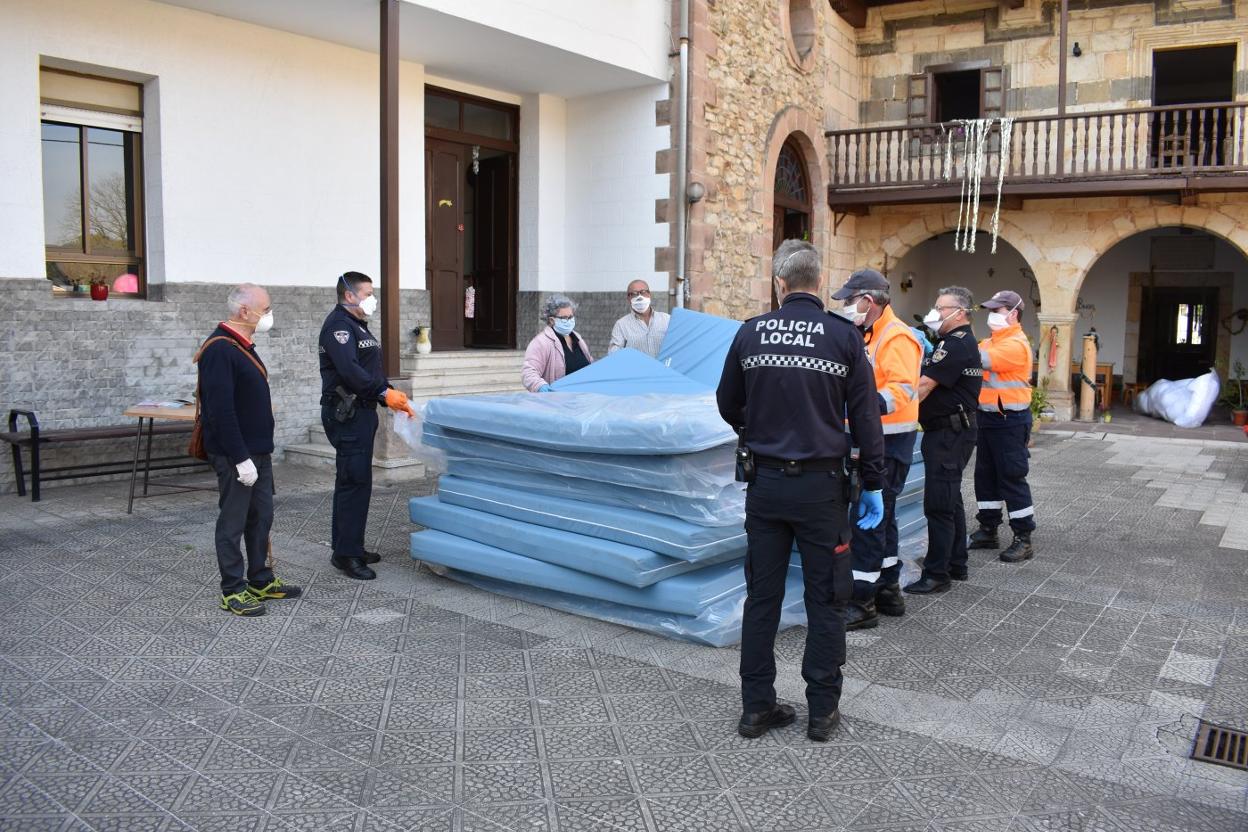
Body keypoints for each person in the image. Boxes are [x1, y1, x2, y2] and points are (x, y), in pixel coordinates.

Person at [716, 239, 886, 743]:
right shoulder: (843, 336)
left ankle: (756, 709)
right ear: (818, 283)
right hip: (821, 489)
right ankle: (821, 712)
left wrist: (763, 426)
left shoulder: (751, 333)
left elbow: (728, 403)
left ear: (780, 284)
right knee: (826, 601)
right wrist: (873, 481)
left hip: (766, 486)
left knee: (762, 599)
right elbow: (866, 417)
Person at [197, 283, 301, 616]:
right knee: (233, 521)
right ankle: (232, 589)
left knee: (261, 517)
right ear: (245, 311)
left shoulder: (243, 345)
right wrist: (240, 458)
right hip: (236, 455)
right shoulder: (219, 349)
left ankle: (260, 579)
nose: (269, 315)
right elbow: (220, 410)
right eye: (266, 308)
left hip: (258, 451)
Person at [830, 268, 923, 629]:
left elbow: (902, 389)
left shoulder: (895, 337)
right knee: (883, 515)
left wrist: (860, 407)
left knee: (866, 520)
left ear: (868, 301)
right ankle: (888, 589)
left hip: (887, 440)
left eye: (849, 301)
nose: (845, 306)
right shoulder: (867, 334)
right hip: (876, 438)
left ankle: (861, 602)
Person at [318, 271, 416, 580]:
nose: (372, 299)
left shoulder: (356, 326)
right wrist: (384, 393)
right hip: (347, 412)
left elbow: (369, 369)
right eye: (368, 293)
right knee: (352, 481)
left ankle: (349, 546)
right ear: (350, 295)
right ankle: (346, 555)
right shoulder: (339, 328)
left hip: (361, 412)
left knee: (357, 481)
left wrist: (386, 391)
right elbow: (349, 371)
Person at [904, 286, 983, 594]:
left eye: (941, 307)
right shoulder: (954, 342)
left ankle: (937, 574)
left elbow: (923, 386)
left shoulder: (955, 344)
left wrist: (888, 407)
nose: (934, 313)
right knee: (950, 499)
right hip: (952, 431)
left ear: (960, 312)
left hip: (949, 434)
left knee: (938, 504)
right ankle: (956, 562)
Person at [970, 290, 1037, 563]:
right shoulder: (989, 341)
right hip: (987, 418)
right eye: (992, 309)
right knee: (985, 476)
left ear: (1013, 313)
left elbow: (980, 361)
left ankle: (1023, 537)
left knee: (1011, 477)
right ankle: (988, 529)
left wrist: (953, 346)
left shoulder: (1016, 344)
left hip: (1010, 420)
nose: (992, 315)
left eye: (997, 310)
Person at [522, 295, 594, 392]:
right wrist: (539, 386)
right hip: (558, 402)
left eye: (571, 317)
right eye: (564, 318)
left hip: (583, 400)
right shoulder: (541, 342)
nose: (569, 321)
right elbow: (528, 372)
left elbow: (590, 363)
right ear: (552, 320)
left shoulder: (577, 338)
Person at [608, 279, 671, 358]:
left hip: (663, 369)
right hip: (636, 370)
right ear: (628, 298)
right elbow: (613, 355)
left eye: (643, 292)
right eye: (634, 294)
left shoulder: (667, 319)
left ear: (649, 294)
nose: (639, 297)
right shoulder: (621, 325)